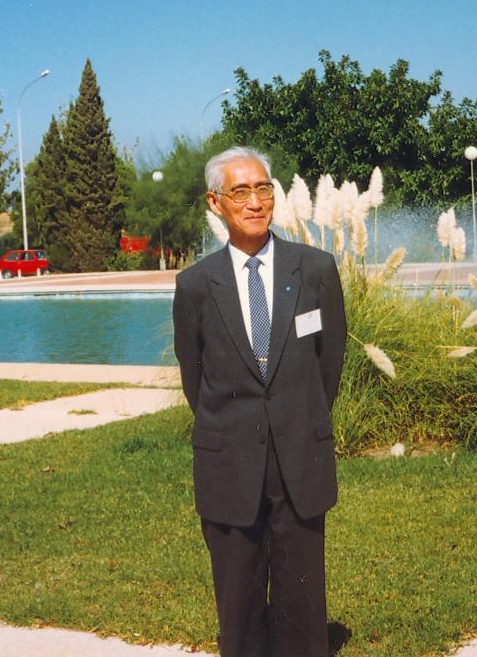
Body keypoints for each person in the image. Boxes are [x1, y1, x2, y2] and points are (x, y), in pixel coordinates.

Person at [172, 146, 347, 657]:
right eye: (241, 191)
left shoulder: (315, 269)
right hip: (229, 461)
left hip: (300, 455)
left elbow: (329, 362)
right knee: (239, 601)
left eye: (264, 188)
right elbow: (194, 379)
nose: (255, 202)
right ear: (216, 202)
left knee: (302, 599)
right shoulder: (195, 285)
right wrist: (236, 423)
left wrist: (299, 417)